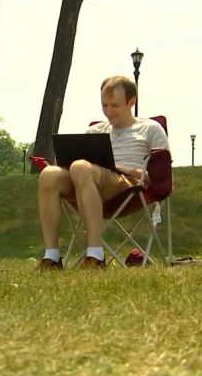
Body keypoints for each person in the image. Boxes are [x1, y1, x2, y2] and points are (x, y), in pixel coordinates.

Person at [36, 75, 170, 270]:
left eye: (115, 106)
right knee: (49, 174)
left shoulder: (150, 128)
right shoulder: (96, 131)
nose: (108, 111)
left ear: (131, 102)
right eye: (104, 105)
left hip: (128, 186)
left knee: (81, 167)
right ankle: (52, 256)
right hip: (86, 182)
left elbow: (159, 175)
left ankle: (95, 254)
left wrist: (119, 167)